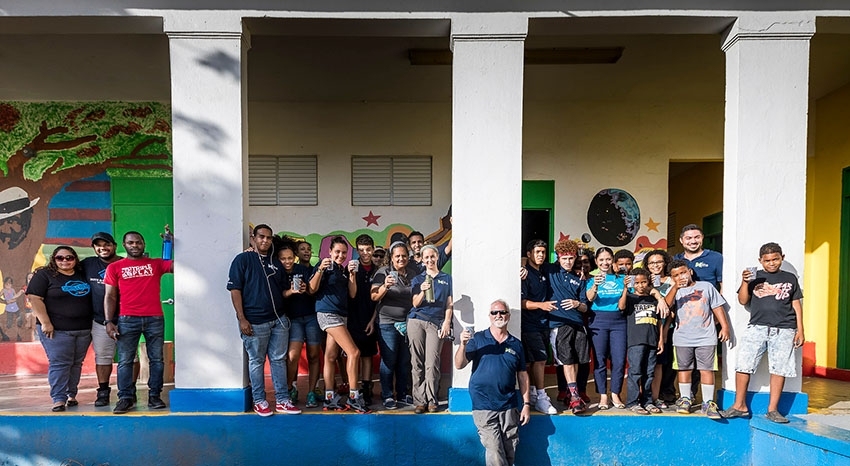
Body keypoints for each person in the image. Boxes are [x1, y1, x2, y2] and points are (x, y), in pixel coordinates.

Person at [721, 242, 804, 424]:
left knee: (779, 368)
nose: (772, 263)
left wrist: (800, 329)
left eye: (775, 259)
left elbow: (796, 304)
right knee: (743, 364)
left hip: (785, 329)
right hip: (757, 327)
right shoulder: (755, 277)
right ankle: (739, 405)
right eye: (767, 260)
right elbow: (743, 300)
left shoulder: (790, 278)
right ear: (760, 261)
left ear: (782, 257)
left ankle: (773, 409)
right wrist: (745, 281)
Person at [228, 225, 300, 416]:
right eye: (261, 237)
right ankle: (259, 400)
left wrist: (292, 291)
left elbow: (282, 291)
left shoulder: (276, 263)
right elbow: (235, 290)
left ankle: (283, 400)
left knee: (278, 360)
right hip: (254, 321)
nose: (265, 241)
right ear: (253, 238)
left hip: (279, 321)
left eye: (268, 238)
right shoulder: (243, 259)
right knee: (257, 361)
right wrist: (241, 318)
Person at [104, 231, 173, 414]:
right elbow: (109, 296)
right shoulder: (115, 267)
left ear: (144, 244)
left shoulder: (156, 264)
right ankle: (125, 397)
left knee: (157, 359)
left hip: (154, 319)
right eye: (130, 242)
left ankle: (155, 395)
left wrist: (171, 244)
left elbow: (178, 266)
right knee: (126, 360)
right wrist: (109, 321)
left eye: (138, 242)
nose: (135, 245)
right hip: (127, 319)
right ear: (124, 245)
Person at [455, 299, 530, 466]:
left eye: (502, 312)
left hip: (509, 404)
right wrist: (463, 344)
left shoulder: (516, 344)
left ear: (508, 316)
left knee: (510, 450)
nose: (498, 315)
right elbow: (459, 365)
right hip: (483, 404)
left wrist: (526, 404)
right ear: (489, 316)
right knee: (495, 451)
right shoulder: (478, 339)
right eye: (494, 312)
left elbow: (523, 375)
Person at [26, 246, 93, 412]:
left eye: (69, 257)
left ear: (75, 259)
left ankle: (71, 395)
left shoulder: (82, 274)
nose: (65, 261)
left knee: (76, 364)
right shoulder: (44, 275)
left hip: (83, 329)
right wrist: (46, 322)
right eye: (60, 258)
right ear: (54, 259)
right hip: (57, 330)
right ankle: (58, 398)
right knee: (60, 364)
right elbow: (35, 299)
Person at [309, 235, 370, 413]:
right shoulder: (324, 267)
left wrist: (352, 274)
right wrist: (320, 269)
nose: (341, 256)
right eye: (337, 252)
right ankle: (354, 397)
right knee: (354, 352)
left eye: (344, 253)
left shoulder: (343, 270)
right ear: (330, 251)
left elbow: (352, 294)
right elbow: (312, 289)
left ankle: (330, 398)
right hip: (328, 314)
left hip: (341, 315)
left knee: (330, 356)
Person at [664, 259, 730, 419]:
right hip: (682, 338)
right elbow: (666, 306)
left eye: (683, 272)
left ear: (690, 271)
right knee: (684, 369)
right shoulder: (675, 291)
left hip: (706, 337)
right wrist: (675, 287)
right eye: (676, 275)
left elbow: (717, 307)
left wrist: (725, 326)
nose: (681, 277)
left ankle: (708, 402)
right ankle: (685, 398)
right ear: (672, 278)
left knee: (706, 369)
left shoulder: (706, 287)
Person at [370, 241, 417, 410]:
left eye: (404, 255)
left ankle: (403, 394)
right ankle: (388, 395)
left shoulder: (413, 274)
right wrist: (385, 286)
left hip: (408, 324)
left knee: (405, 361)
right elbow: (374, 296)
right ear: (391, 258)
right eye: (397, 256)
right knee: (389, 360)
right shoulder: (383, 273)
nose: (401, 258)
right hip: (387, 323)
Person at [545, 239, 590, 414]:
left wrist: (576, 304)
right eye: (564, 258)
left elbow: (586, 307)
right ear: (558, 258)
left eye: (571, 258)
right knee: (566, 360)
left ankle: (573, 393)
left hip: (578, 324)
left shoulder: (579, 278)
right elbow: (529, 260)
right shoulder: (550, 270)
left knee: (577, 360)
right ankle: (574, 398)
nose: (568, 262)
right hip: (558, 324)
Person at [80, 232, 124, 407]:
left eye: (106, 244)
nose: (102, 248)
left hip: (126, 319)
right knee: (103, 357)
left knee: (129, 357)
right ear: (93, 248)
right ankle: (103, 391)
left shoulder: (124, 263)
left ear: (114, 245)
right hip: (99, 320)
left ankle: (128, 391)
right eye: (98, 245)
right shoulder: (88, 265)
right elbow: (64, 272)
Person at [409, 244, 453, 414]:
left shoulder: (446, 278)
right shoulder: (418, 279)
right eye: (426, 257)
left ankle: (432, 399)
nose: (429, 260)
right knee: (417, 362)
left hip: (436, 322)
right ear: (423, 259)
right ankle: (419, 401)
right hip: (417, 320)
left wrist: (447, 322)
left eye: (432, 257)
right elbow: (415, 303)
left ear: (436, 257)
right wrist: (422, 291)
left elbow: (449, 304)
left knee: (432, 362)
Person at [277, 241, 321, 409]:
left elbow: (313, 290)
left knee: (314, 355)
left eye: (290, 258)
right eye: (283, 259)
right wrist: (290, 291)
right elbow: (278, 295)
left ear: (294, 257)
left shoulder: (303, 270)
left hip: (311, 316)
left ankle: (311, 392)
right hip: (293, 319)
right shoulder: (278, 273)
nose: (287, 262)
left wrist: (306, 288)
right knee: (293, 356)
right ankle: (291, 388)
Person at [585, 247, 627, 409]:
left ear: (613, 260)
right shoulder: (591, 279)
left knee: (618, 360)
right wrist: (594, 285)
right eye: (601, 260)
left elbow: (627, 299)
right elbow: (589, 299)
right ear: (596, 262)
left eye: (608, 259)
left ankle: (615, 394)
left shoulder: (621, 278)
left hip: (619, 322)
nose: (605, 262)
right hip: (598, 321)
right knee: (599, 360)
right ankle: (603, 395)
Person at [519, 239, 558, 414]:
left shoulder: (545, 271)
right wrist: (541, 305)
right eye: (537, 252)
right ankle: (541, 397)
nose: (541, 255)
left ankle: (534, 393)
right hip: (530, 324)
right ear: (529, 254)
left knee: (536, 360)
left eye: (543, 252)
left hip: (544, 324)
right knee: (540, 360)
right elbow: (521, 302)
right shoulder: (525, 274)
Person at [619, 268, 665, 415]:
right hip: (635, 342)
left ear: (649, 282)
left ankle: (647, 401)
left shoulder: (653, 299)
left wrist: (660, 340)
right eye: (637, 282)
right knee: (635, 372)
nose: (640, 285)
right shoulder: (631, 298)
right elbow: (621, 306)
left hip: (652, 341)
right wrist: (626, 288)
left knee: (649, 372)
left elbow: (659, 321)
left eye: (643, 282)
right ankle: (632, 402)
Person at [345, 234, 380, 406]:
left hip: (371, 317)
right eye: (361, 250)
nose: (365, 253)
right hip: (353, 318)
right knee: (353, 355)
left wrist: (373, 320)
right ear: (357, 250)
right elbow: (351, 294)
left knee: (367, 355)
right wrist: (352, 274)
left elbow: (380, 299)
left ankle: (367, 389)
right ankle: (354, 388)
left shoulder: (378, 270)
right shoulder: (351, 268)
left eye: (368, 250)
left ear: (373, 249)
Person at [642, 249, 676, 409]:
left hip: (668, 327)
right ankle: (645, 396)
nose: (655, 265)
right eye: (652, 263)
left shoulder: (672, 280)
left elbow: (670, 309)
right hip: (647, 326)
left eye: (659, 262)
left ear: (665, 263)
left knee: (663, 364)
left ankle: (661, 396)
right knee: (644, 365)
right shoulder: (643, 281)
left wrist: (665, 330)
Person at [674, 224, 723, 292]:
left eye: (697, 237)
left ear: (702, 238)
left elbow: (724, 285)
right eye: (688, 238)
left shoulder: (715, 257)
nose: (693, 241)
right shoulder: (675, 259)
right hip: (681, 301)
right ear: (681, 240)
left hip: (709, 301)